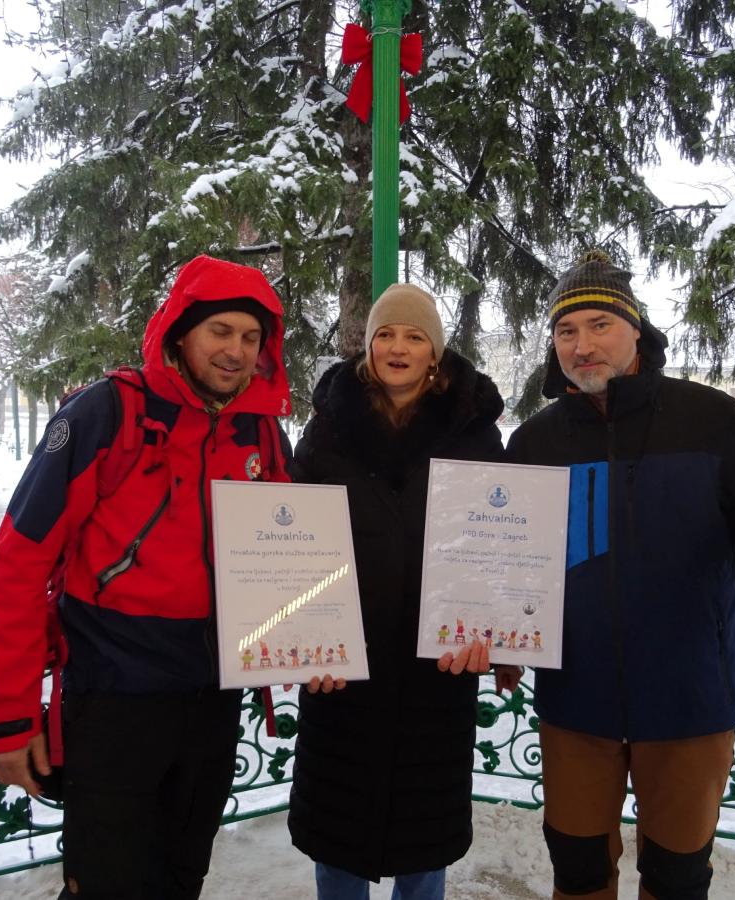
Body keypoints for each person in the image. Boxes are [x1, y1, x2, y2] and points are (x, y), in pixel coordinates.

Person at [504, 251, 735, 900]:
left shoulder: (709, 418)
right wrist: (497, 632)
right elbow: (507, 556)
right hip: (576, 697)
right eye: (566, 331)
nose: (582, 345)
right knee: (577, 867)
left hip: (690, 692)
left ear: (637, 330)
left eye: (600, 325)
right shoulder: (535, 443)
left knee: (677, 873)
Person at [0, 255, 294, 900]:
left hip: (212, 701)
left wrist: (313, 637)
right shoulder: (105, 414)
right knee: (106, 884)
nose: (236, 351)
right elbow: (15, 565)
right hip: (115, 698)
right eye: (220, 331)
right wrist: (10, 712)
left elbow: (293, 556)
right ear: (181, 332)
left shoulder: (259, 431)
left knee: (180, 877)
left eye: (250, 337)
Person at [287, 283, 510, 900]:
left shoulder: (473, 434)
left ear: (434, 352)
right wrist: (302, 640)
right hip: (342, 670)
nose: (398, 347)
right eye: (385, 334)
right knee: (338, 842)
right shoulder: (327, 431)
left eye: (414, 336)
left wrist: (493, 630)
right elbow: (292, 545)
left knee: (424, 846)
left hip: (436, 670)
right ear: (368, 347)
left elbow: (500, 547)